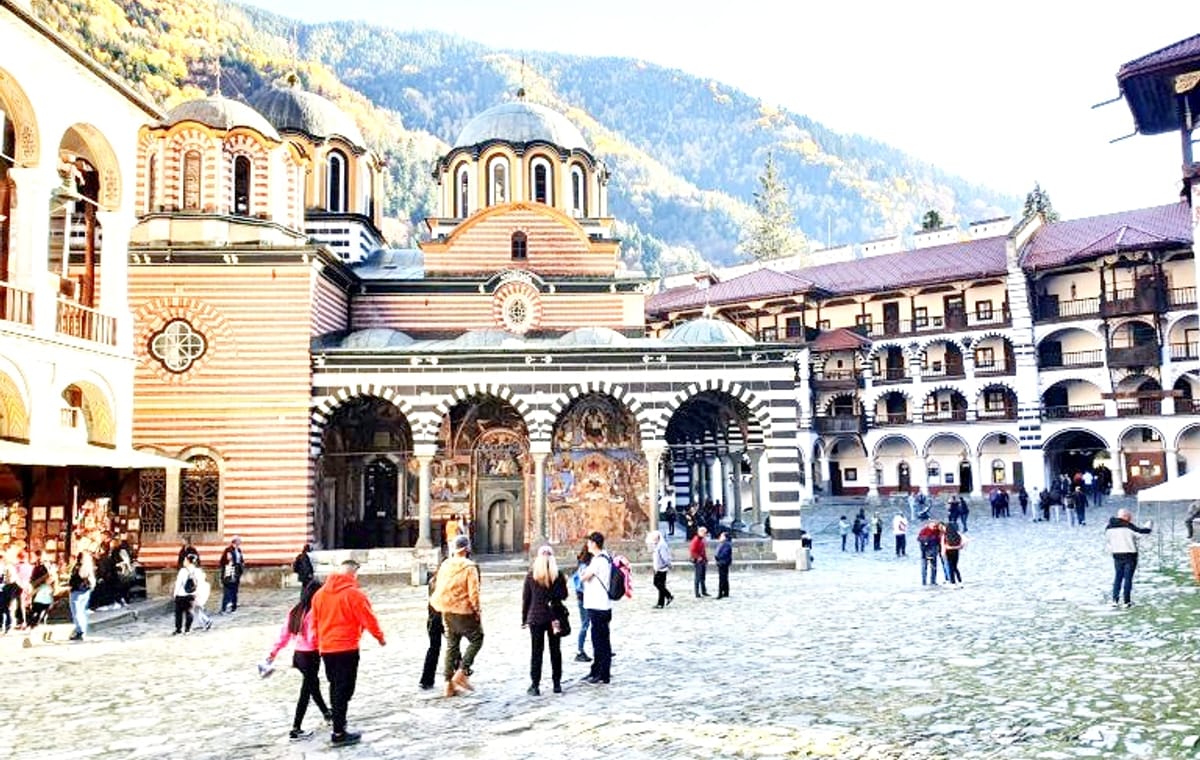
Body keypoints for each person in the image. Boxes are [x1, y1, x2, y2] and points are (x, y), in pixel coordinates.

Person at [311, 559, 386, 747]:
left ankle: (339, 720)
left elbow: (315, 622)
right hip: (346, 648)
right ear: (353, 574)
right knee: (345, 688)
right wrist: (379, 637)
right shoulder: (354, 595)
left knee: (335, 685)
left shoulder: (319, 595)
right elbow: (368, 618)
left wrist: (318, 642)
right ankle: (338, 732)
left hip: (327, 648)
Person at [267, 579, 332, 740]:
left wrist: (273, 653)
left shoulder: (296, 610)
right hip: (311, 655)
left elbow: (284, 635)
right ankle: (296, 728)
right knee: (306, 691)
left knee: (313, 686)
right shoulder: (314, 613)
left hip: (298, 654)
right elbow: (313, 636)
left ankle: (326, 713)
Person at [430, 534, 483, 698]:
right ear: (467, 548)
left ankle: (448, 684)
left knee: (452, 646)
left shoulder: (445, 564)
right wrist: (477, 611)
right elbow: (473, 592)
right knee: (477, 639)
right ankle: (461, 673)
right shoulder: (469, 567)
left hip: (446, 608)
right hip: (463, 610)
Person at [521, 545, 568, 696]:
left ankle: (535, 685)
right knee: (555, 651)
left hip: (536, 617)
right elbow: (563, 596)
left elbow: (526, 599)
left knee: (536, 652)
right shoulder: (558, 575)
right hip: (554, 617)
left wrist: (524, 619)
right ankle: (557, 684)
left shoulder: (531, 576)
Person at [580, 531, 613, 685]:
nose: (587, 545)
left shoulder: (599, 560)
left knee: (600, 641)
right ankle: (597, 669)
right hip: (602, 605)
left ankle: (602, 673)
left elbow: (584, 576)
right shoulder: (605, 557)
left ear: (594, 543)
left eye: (589, 542)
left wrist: (583, 573)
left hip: (598, 605)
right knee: (601, 640)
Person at [1105, 508, 1153, 608]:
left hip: (1116, 554)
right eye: (1130, 517)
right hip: (1130, 555)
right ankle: (1126, 601)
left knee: (1118, 577)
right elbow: (1141, 533)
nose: (1131, 519)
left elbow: (1108, 541)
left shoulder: (1108, 528)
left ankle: (1115, 599)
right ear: (1126, 517)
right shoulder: (1128, 526)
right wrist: (1148, 526)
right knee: (1128, 578)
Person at [419, 568, 443, 690]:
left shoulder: (432, 581)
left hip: (432, 619)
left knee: (433, 649)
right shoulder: (445, 582)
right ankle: (457, 676)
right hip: (444, 617)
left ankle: (426, 679)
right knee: (454, 647)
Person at [571, 543, 593, 662]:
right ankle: (579, 651)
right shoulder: (585, 565)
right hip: (584, 598)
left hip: (583, 597)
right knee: (585, 624)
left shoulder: (581, 563)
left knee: (592, 624)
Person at [67, 551, 95, 641]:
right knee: (82, 611)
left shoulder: (80, 567)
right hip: (85, 591)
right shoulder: (89, 566)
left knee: (76, 612)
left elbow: (77, 577)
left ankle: (80, 631)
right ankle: (83, 629)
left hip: (77, 591)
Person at [218, 536, 245, 614]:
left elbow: (240, 559)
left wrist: (242, 565)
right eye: (238, 541)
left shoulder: (238, 550)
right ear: (234, 542)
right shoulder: (228, 550)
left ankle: (233, 607)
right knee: (227, 591)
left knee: (235, 590)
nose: (239, 543)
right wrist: (228, 561)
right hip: (229, 572)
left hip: (237, 572)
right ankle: (224, 608)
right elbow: (223, 561)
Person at [173, 553, 197, 635]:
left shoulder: (183, 571)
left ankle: (178, 629)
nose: (184, 561)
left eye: (185, 560)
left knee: (178, 613)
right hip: (191, 594)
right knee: (189, 612)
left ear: (187, 561)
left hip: (181, 595)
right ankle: (187, 629)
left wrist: (175, 593)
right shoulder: (196, 570)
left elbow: (178, 583)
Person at [648, 530, 674, 608]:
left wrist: (668, 564)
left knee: (657, 583)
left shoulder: (661, 545)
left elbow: (664, 557)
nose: (653, 539)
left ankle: (668, 595)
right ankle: (660, 603)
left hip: (661, 568)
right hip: (658, 568)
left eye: (654, 537)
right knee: (661, 585)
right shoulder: (657, 544)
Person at [917, 520, 942, 586]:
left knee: (933, 567)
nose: (934, 527)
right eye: (933, 526)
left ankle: (933, 581)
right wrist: (927, 539)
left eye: (935, 526)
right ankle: (924, 581)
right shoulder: (924, 530)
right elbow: (919, 538)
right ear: (929, 525)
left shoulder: (937, 531)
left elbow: (939, 541)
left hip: (933, 552)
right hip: (924, 552)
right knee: (924, 567)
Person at [689, 526, 709, 597]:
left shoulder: (701, 539)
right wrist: (698, 557)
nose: (705, 534)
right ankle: (697, 593)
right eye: (704, 533)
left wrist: (705, 559)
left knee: (703, 577)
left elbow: (703, 551)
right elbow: (692, 551)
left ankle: (704, 591)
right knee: (698, 577)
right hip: (698, 561)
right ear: (700, 532)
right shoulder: (696, 540)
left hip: (702, 560)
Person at [714, 531, 733, 599]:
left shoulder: (727, 544)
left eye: (722, 536)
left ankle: (721, 593)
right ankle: (725, 592)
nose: (720, 537)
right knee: (724, 578)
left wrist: (718, 557)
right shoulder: (722, 544)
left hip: (723, 563)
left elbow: (724, 554)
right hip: (721, 562)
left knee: (722, 578)